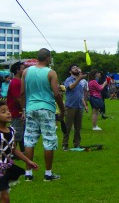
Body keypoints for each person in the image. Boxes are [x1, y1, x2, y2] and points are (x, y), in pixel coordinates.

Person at [21, 48, 65, 182]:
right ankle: (48, 173)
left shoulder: (26, 72)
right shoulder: (51, 73)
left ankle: (28, 173)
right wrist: (62, 110)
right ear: (48, 58)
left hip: (30, 108)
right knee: (49, 140)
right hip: (46, 108)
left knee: (29, 140)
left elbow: (22, 92)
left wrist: (24, 109)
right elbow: (57, 94)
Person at [63, 64, 88, 150]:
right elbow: (71, 87)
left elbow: (81, 95)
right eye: (74, 68)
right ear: (70, 71)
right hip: (70, 106)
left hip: (79, 106)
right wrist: (79, 79)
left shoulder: (80, 81)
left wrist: (85, 105)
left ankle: (77, 144)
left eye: (77, 67)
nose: (76, 69)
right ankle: (65, 144)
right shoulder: (69, 80)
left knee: (78, 127)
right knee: (68, 127)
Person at [7, 61, 25, 152]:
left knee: (21, 132)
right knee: (16, 133)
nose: (24, 70)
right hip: (16, 111)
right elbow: (17, 98)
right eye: (23, 68)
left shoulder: (19, 81)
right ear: (18, 70)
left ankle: (22, 151)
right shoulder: (15, 82)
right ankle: (13, 152)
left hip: (19, 111)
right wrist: (24, 110)